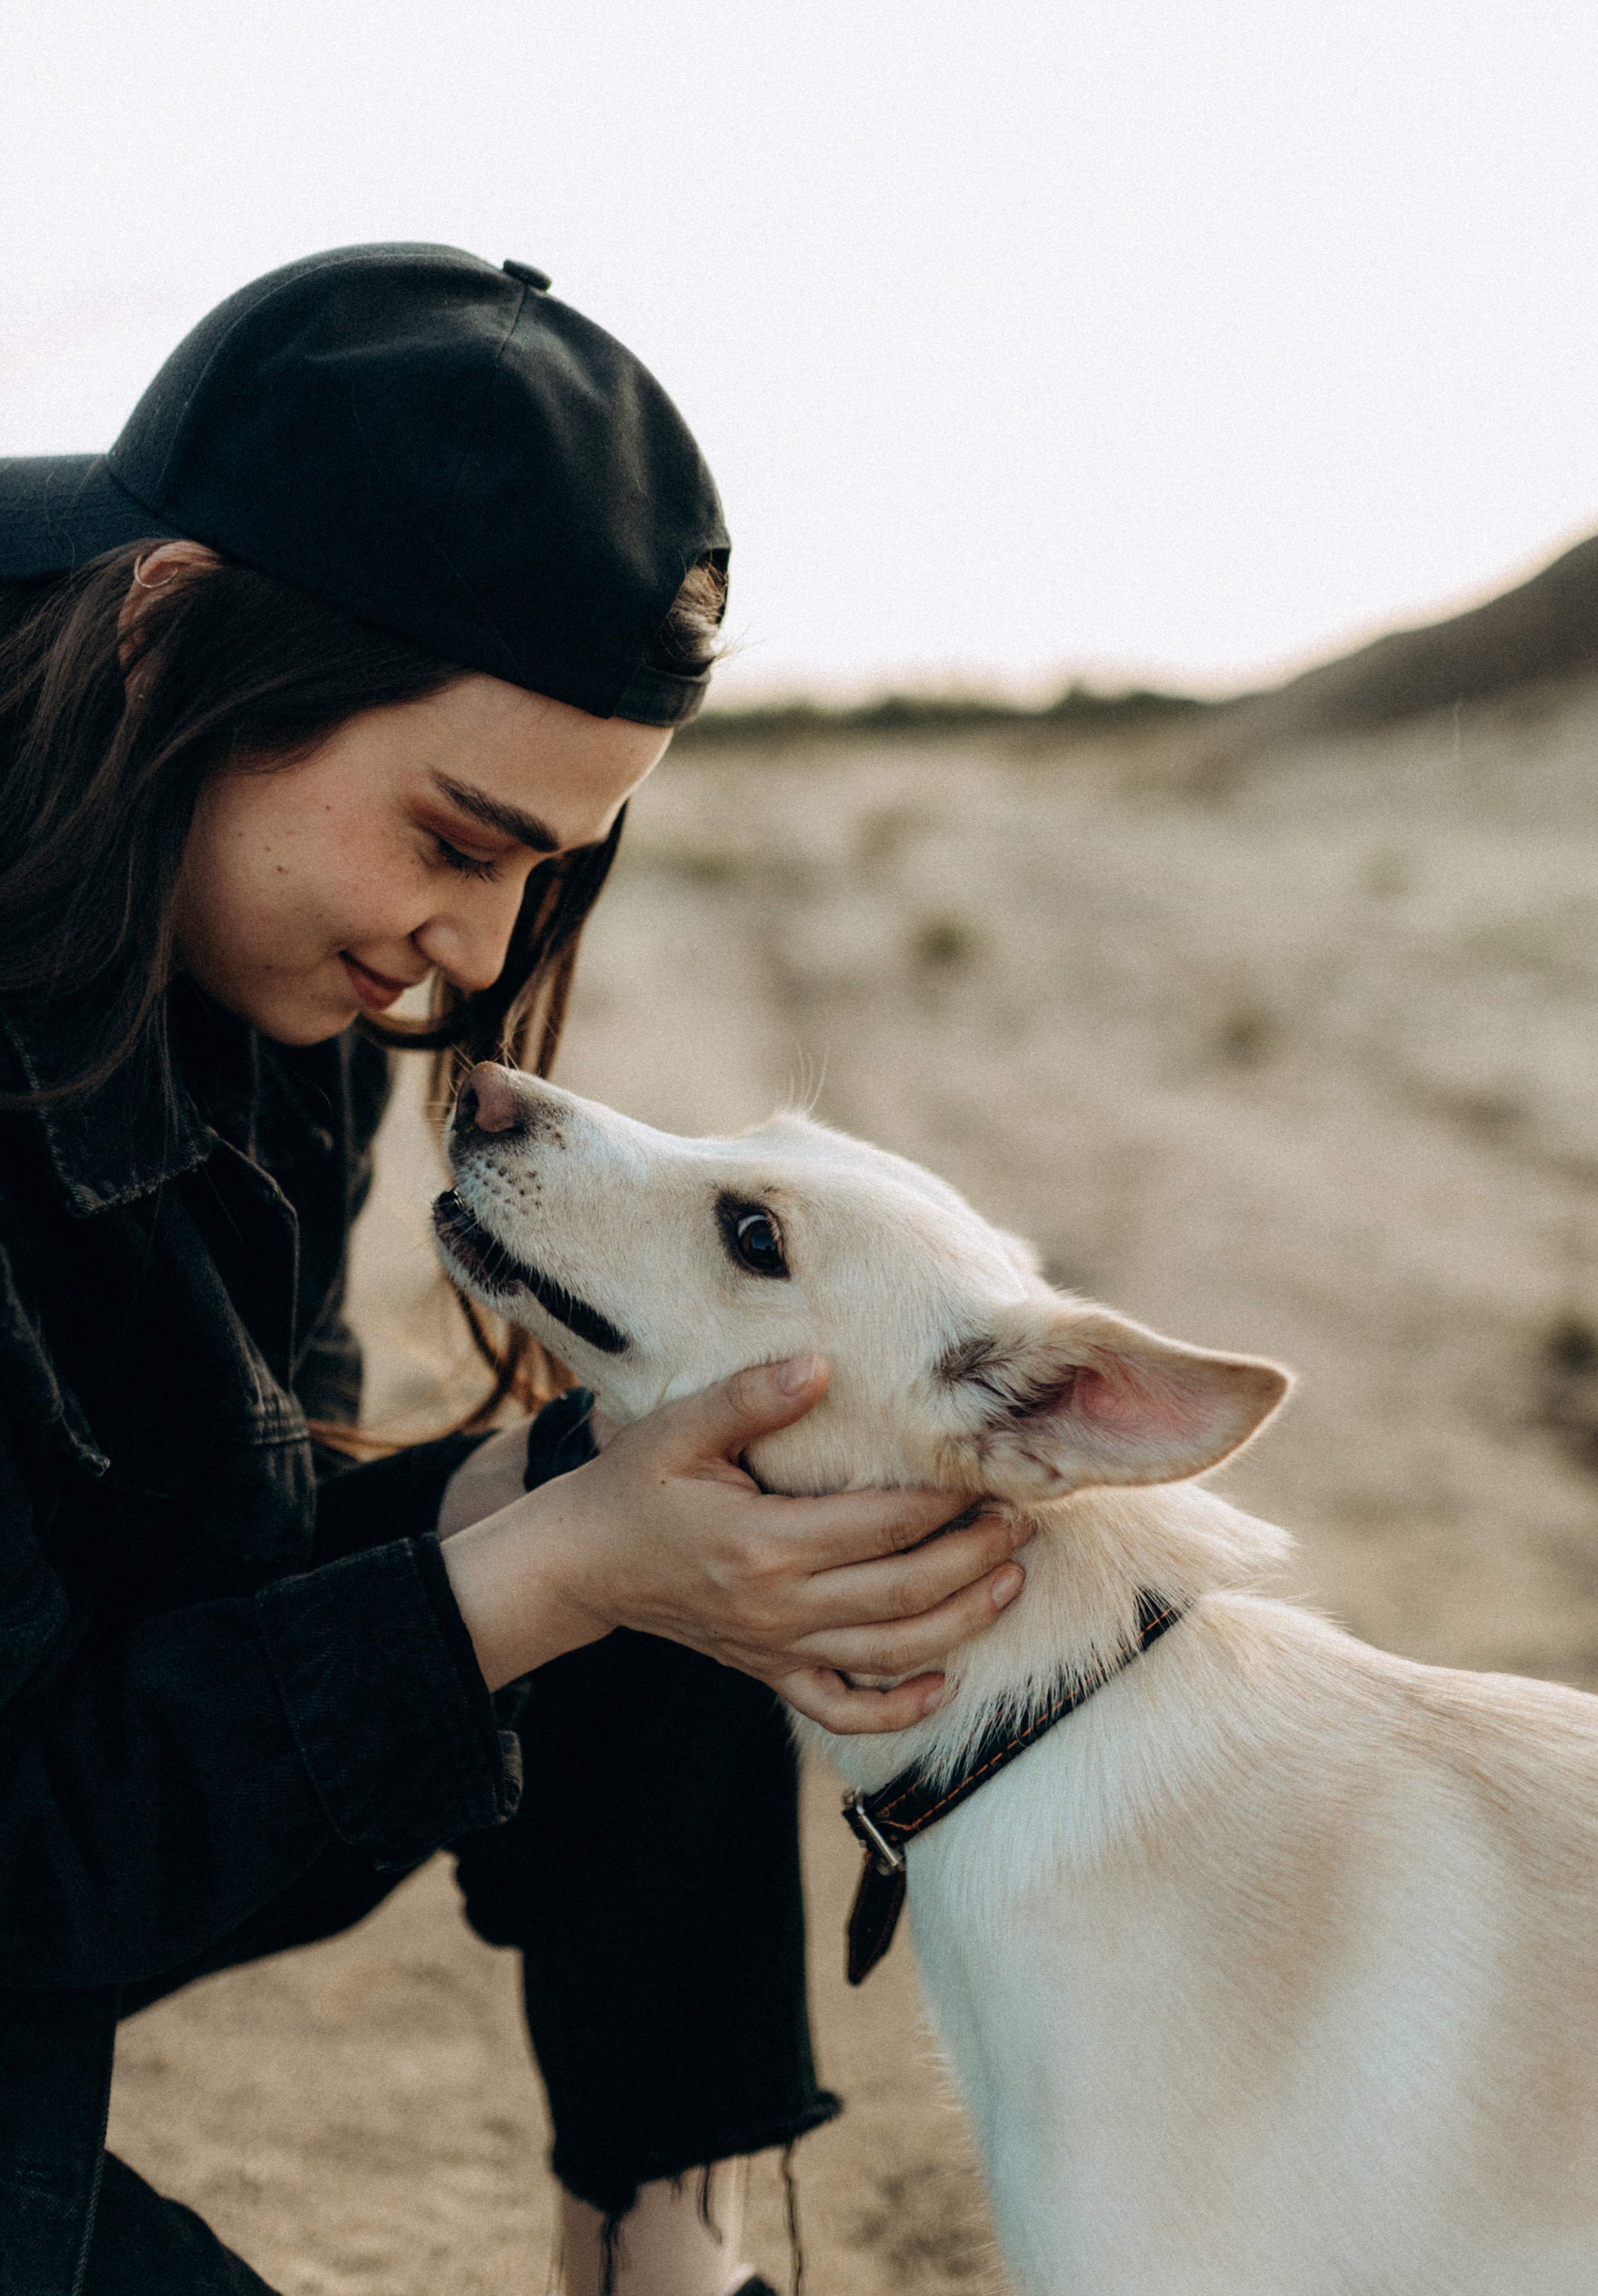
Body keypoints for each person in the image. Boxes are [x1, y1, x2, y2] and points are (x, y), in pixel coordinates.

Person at [0, 245, 1030, 2296]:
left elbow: (211, 1557)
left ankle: (672, 2254)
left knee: (663, 1496)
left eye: (550, 867)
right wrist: (547, 1573)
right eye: (460, 841)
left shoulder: (237, 935)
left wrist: (575, 1523)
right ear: (174, 637)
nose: (474, 959)